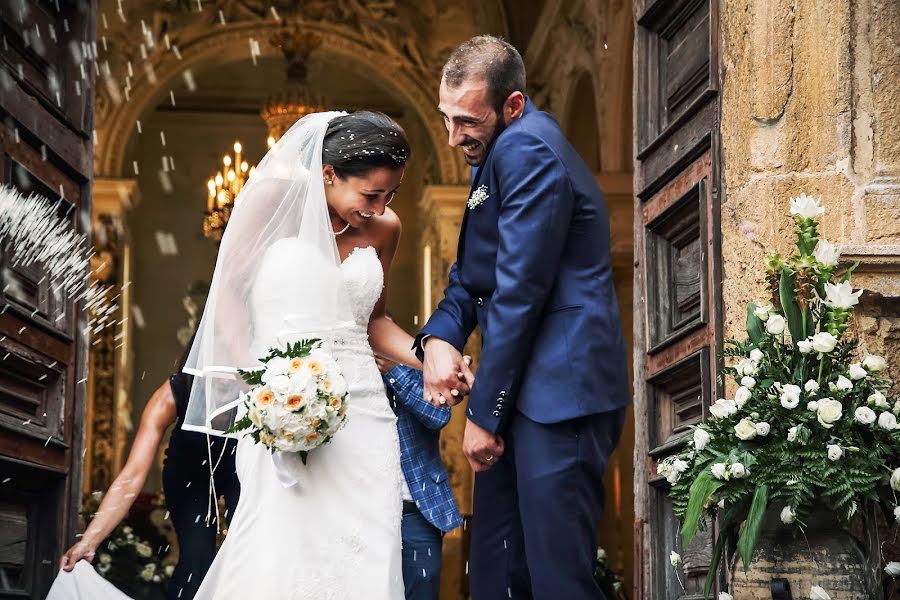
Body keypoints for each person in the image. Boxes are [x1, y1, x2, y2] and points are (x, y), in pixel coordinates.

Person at [182, 110, 436, 599]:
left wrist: (430, 358)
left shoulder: (386, 229)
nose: (380, 206)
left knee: (368, 546)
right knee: (278, 547)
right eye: (370, 194)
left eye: (390, 195)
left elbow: (374, 322)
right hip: (276, 403)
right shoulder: (270, 205)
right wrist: (256, 384)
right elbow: (230, 297)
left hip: (363, 412)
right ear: (328, 174)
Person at [415, 36, 630, 600]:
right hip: (526, 397)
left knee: (557, 583)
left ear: (512, 105)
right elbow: (472, 275)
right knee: (498, 576)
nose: (454, 135)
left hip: (561, 397)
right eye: (446, 118)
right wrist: (439, 335)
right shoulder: (496, 152)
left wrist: (482, 415)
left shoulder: (526, 149)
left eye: (468, 120)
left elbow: (519, 291)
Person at [58, 337, 239, 600]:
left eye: (231, 360)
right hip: (189, 472)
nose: (223, 375)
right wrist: (89, 540)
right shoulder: (172, 392)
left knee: (247, 551)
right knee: (197, 563)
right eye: (216, 360)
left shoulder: (259, 391)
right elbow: (131, 476)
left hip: (239, 469)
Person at [375, 352, 463, 600]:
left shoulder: (412, 362)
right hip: (361, 510)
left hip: (416, 508)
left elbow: (438, 415)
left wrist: (393, 369)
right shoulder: (331, 375)